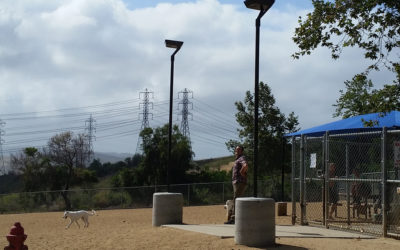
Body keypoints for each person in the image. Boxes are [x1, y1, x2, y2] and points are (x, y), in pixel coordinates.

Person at [224, 145, 248, 224]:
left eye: (239, 150)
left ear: (242, 151)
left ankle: (234, 219)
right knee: (236, 199)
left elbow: (245, 165)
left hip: (239, 182)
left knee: (236, 199)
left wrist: (242, 172)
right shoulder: (237, 159)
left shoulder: (242, 158)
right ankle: (234, 217)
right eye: (236, 150)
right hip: (236, 182)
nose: (237, 151)